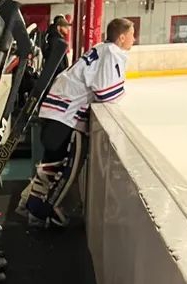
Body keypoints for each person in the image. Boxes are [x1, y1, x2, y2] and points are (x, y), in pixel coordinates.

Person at [22, 17, 135, 228]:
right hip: (65, 114)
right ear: (121, 37)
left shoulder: (102, 49)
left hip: (57, 111)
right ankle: (41, 210)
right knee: (64, 168)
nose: (134, 39)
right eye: (131, 35)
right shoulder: (111, 53)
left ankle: (32, 206)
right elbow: (105, 92)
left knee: (51, 164)